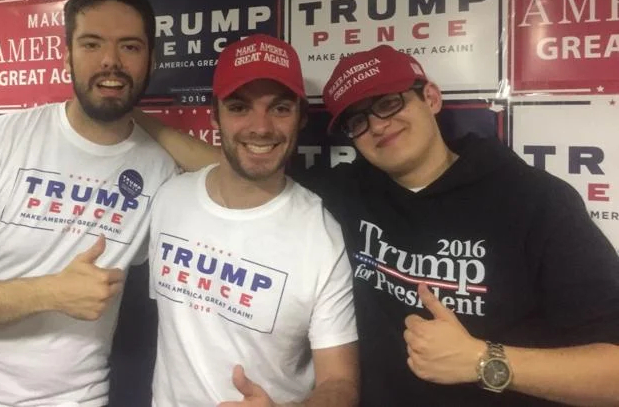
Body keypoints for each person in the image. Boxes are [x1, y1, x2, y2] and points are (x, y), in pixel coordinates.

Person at [134, 44, 619, 406]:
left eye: (388, 103)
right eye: (358, 120)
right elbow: (242, 160)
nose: (378, 126)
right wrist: (131, 116)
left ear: (429, 97)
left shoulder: (533, 202)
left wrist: (485, 360)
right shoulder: (349, 193)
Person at [0, 0, 177, 407]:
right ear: (66, 53)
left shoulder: (161, 171)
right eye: (92, 44)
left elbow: (140, 324)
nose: (111, 61)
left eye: (130, 46)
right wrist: (52, 291)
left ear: (152, 58)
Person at [147, 34, 359, 406]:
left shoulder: (322, 237)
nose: (261, 127)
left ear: (300, 117)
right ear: (214, 113)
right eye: (239, 107)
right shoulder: (169, 199)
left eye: (279, 108)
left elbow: (340, 384)